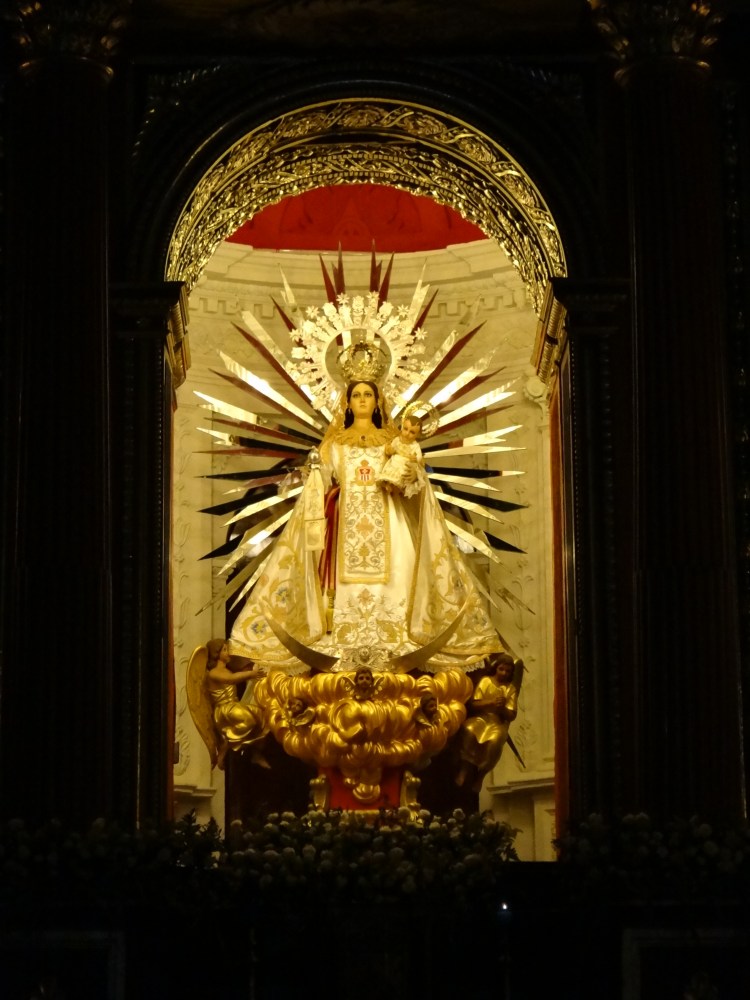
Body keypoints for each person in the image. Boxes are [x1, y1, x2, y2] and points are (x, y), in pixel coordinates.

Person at [227, 379, 502, 674]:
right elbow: (320, 481)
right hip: (343, 526)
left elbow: (414, 480)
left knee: (400, 572)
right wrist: (316, 481)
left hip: (390, 521)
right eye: (356, 395)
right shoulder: (334, 444)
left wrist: (411, 476)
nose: (362, 400)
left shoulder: (392, 442)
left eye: (368, 394)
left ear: (377, 401)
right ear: (347, 403)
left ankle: (393, 641)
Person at [455, 652, 523, 792]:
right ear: (496, 668)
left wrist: (502, 708)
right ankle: (464, 768)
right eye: (501, 669)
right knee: (469, 730)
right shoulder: (486, 681)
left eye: (507, 671)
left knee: (495, 741)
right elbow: (474, 704)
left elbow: (511, 715)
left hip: (497, 723)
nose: (503, 673)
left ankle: (481, 776)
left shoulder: (510, 689)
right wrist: (491, 702)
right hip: (481, 718)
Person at [376, 414, 426, 497]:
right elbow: (391, 448)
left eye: (412, 432)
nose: (407, 433)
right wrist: (390, 450)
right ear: (402, 427)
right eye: (405, 429)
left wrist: (415, 458)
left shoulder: (415, 445)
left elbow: (419, 456)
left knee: (401, 477)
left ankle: (396, 490)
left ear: (417, 435)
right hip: (395, 461)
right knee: (390, 473)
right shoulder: (397, 440)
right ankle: (387, 484)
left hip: (405, 464)